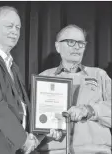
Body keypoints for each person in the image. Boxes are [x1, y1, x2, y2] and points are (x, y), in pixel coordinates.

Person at [0, 6, 62, 154]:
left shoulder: (13, 67)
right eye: (9, 26)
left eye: (18, 27)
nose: (15, 31)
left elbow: (22, 109)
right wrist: (23, 140)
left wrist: (44, 129)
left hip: (10, 146)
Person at [37, 25, 111, 154]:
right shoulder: (44, 77)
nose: (77, 47)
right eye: (71, 42)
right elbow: (33, 121)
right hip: (54, 151)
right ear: (57, 46)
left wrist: (89, 110)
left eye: (81, 43)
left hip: (93, 151)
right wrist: (45, 131)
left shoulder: (99, 75)